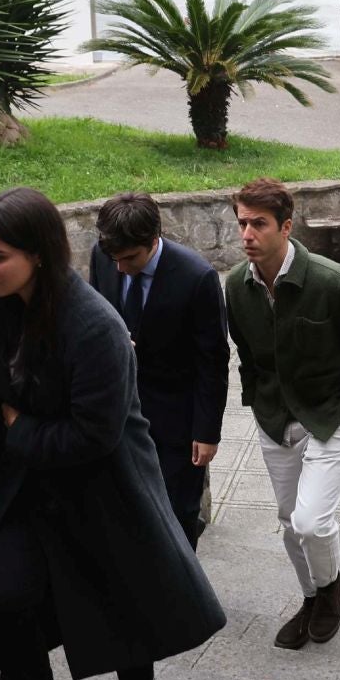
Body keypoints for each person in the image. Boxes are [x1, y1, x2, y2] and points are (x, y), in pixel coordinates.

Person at [0, 188, 225, 680]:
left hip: (104, 484)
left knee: (123, 592)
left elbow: (91, 438)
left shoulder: (96, 328)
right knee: (4, 594)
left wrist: (20, 428)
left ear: (38, 256)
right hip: (25, 487)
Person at [224, 178, 340, 649]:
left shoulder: (332, 281)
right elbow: (245, 351)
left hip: (328, 417)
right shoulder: (237, 285)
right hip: (275, 419)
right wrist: (257, 400)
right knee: (287, 519)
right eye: (242, 224)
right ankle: (310, 597)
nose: (247, 235)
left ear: (286, 227)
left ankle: (330, 587)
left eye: (259, 224)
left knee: (311, 521)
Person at [87, 192, 228, 548]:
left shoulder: (197, 277)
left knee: (177, 517)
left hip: (176, 423)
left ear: (154, 240)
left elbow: (212, 361)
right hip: (119, 414)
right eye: (114, 258)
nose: (120, 267)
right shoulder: (103, 258)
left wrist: (207, 431)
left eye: (130, 258)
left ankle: (182, 599)